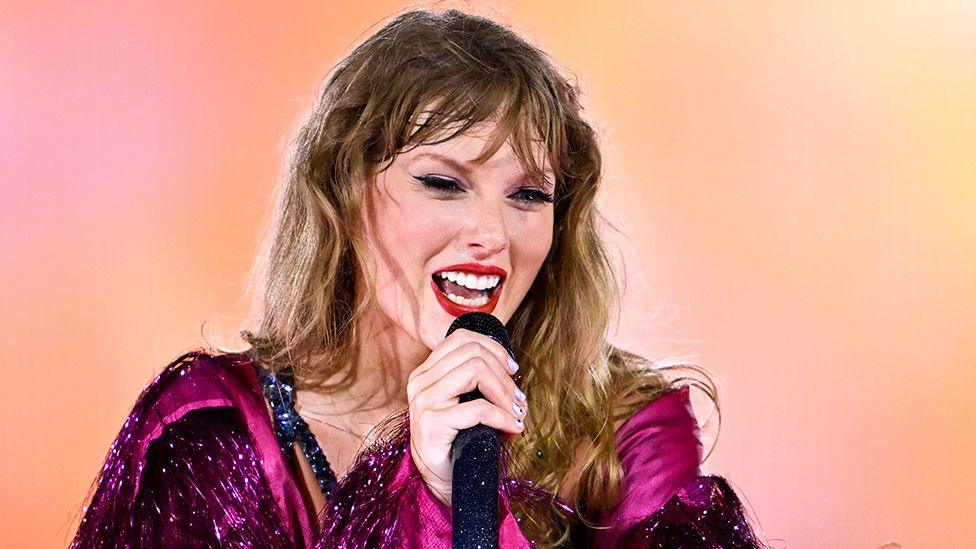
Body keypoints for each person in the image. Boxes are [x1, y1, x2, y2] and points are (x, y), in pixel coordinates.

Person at [72, 8, 769, 548]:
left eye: (528, 196)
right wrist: (424, 494)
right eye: (442, 182)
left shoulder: (624, 433)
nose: (492, 235)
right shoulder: (214, 433)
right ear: (342, 193)